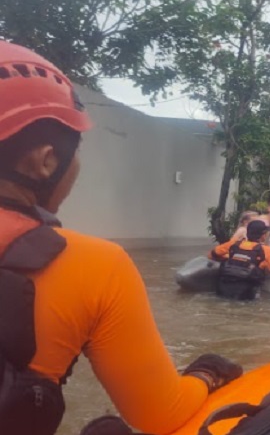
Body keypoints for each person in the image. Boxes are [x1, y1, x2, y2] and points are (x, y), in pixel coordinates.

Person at [0, 41, 242, 435]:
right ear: (45, 161)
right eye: (76, 150)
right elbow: (162, 416)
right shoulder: (94, 265)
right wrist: (206, 372)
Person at [209, 220, 270, 300]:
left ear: (247, 232)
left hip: (223, 290)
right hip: (246, 295)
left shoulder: (233, 244)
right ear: (263, 235)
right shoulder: (266, 250)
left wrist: (232, 258)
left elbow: (211, 255)